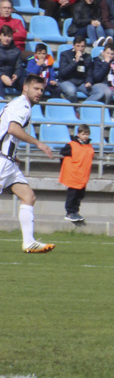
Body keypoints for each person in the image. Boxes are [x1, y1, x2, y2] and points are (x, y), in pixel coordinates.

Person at [0, 75, 55, 252]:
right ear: (25, 88)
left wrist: (13, 154)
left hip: (8, 161)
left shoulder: (16, 104)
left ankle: (29, 242)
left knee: (28, 197)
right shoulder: (23, 106)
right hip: (2, 162)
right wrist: (38, 143)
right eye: (36, 89)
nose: (39, 93)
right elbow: (12, 128)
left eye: (41, 90)